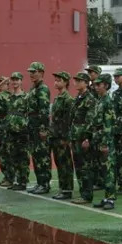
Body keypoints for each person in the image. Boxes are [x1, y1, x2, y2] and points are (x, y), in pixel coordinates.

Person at [69, 72, 98, 205]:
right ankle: (83, 193)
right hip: (75, 137)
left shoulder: (89, 99)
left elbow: (91, 120)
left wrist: (87, 138)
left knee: (85, 166)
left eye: (80, 81)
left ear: (86, 83)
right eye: (76, 80)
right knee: (79, 166)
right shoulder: (78, 98)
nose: (77, 83)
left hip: (83, 138)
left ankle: (87, 195)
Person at [25, 62, 53, 194]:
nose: (31, 74)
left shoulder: (42, 89)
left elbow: (44, 111)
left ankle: (45, 183)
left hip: (39, 126)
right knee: (36, 155)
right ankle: (39, 182)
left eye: (34, 71)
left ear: (41, 72)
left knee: (42, 156)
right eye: (30, 72)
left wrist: (43, 129)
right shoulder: (33, 89)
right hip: (32, 126)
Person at [90, 74, 116, 209]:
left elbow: (108, 124)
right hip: (99, 137)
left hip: (106, 139)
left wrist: (105, 142)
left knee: (109, 170)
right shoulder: (100, 100)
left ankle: (111, 199)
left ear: (105, 85)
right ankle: (106, 196)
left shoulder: (107, 101)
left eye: (99, 85)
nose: (96, 87)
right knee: (103, 170)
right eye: (95, 85)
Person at [49, 71, 75, 200]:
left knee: (65, 164)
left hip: (62, 137)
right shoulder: (58, 98)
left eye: (59, 80)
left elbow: (69, 120)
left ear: (65, 82)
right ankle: (62, 187)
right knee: (59, 163)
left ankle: (67, 189)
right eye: (55, 80)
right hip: (56, 135)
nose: (56, 82)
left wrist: (67, 138)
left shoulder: (68, 99)